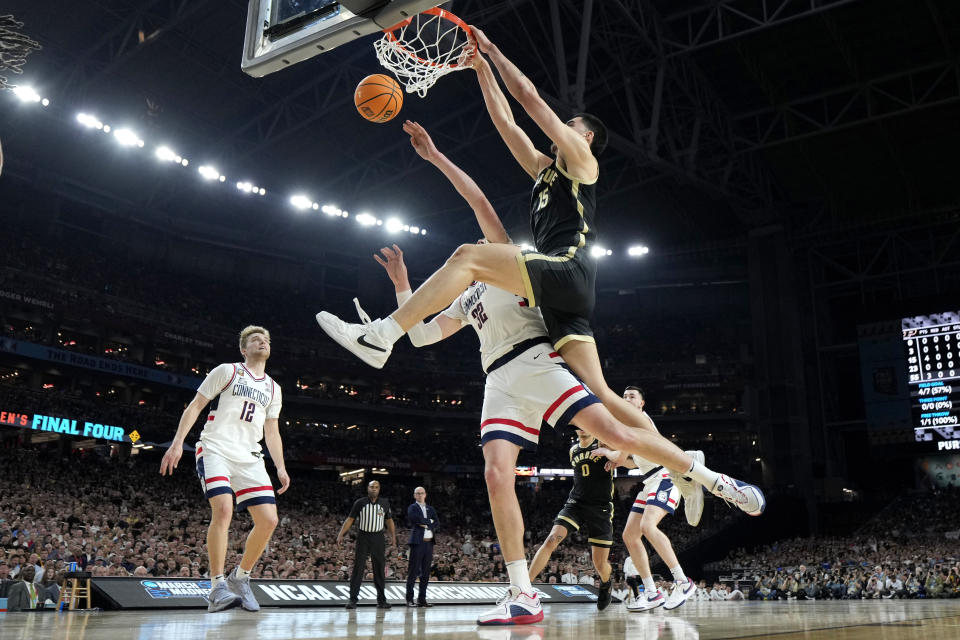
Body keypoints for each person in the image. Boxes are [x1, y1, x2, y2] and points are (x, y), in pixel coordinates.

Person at [315, 32, 757, 523]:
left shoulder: (582, 165)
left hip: (567, 269)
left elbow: (527, 99)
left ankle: (381, 335)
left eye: (570, 124)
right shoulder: (544, 172)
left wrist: (496, 51)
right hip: (559, 299)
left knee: (466, 255)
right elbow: (506, 121)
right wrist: (479, 69)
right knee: (605, 395)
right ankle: (689, 469)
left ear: (585, 137)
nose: (561, 127)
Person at [356, 122, 761, 625]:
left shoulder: (510, 259)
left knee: (615, 430)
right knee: (496, 475)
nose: (479, 240)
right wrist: (403, 285)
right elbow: (421, 336)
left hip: (535, 357)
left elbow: (478, 199)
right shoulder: (464, 297)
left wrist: (436, 156)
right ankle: (522, 593)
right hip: (498, 380)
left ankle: (708, 475)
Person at [160, 325, 289, 613]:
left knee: (269, 520)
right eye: (256, 340)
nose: (262, 342)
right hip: (216, 446)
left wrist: (280, 466)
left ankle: (241, 577)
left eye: (266, 340)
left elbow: (272, 431)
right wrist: (178, 442)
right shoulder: (227, 371)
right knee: (223, 509)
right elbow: (195, 406)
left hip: (250, 456)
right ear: (244, 349)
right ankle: (216, 585)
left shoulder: (273, 387)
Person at [596, 387, 696, 612]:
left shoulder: (640, 419)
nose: (626, 400)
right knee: (630, 535)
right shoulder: (627, 427)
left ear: (642, 404)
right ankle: (651, 592)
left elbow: (620, 455)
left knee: (648, 526)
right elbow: (630, 461)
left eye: (632, 397)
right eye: (624, 397)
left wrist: (608, 453)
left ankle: (683, 582)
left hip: (665, 476)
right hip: (650, 480)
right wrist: (615, 457)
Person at [528, 428, 614, 611]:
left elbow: (626, 458)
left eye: (586, 424)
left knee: (599, 563)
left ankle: (606, 582)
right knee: (551, 540)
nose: (583, 427)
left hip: (600, 507)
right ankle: (524, 588)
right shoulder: (573, 449)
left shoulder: (603, 443)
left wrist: (613, 456)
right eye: (579, 424)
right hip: (575, 503)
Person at [337, 480, 396, 610]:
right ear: (367, 488)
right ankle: (353, 600)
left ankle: (382, 600)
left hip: (378, 537)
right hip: (363, 536)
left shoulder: (384, 503)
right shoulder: (360, 503)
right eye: (371, 487)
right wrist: (341, 534)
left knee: (379, 569)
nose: (374, 489)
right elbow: (350, 519)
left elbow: (389, 521)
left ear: (379, 489)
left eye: (376, 487)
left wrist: (393, 537)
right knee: (358, 568)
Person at [406, 486, 438, 607]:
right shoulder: (412, 507)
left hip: (429, 543)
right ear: (414, 495)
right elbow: (415, 519)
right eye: (417, 493)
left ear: (425, 494)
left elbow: (437, 522)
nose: (420, 495)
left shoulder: (430, 508)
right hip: (417, 542)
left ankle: (422, 599)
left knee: (425, 572)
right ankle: (409, 599)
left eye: (422, 493)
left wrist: (425, 523)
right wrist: (430, 522)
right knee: (413, 572)